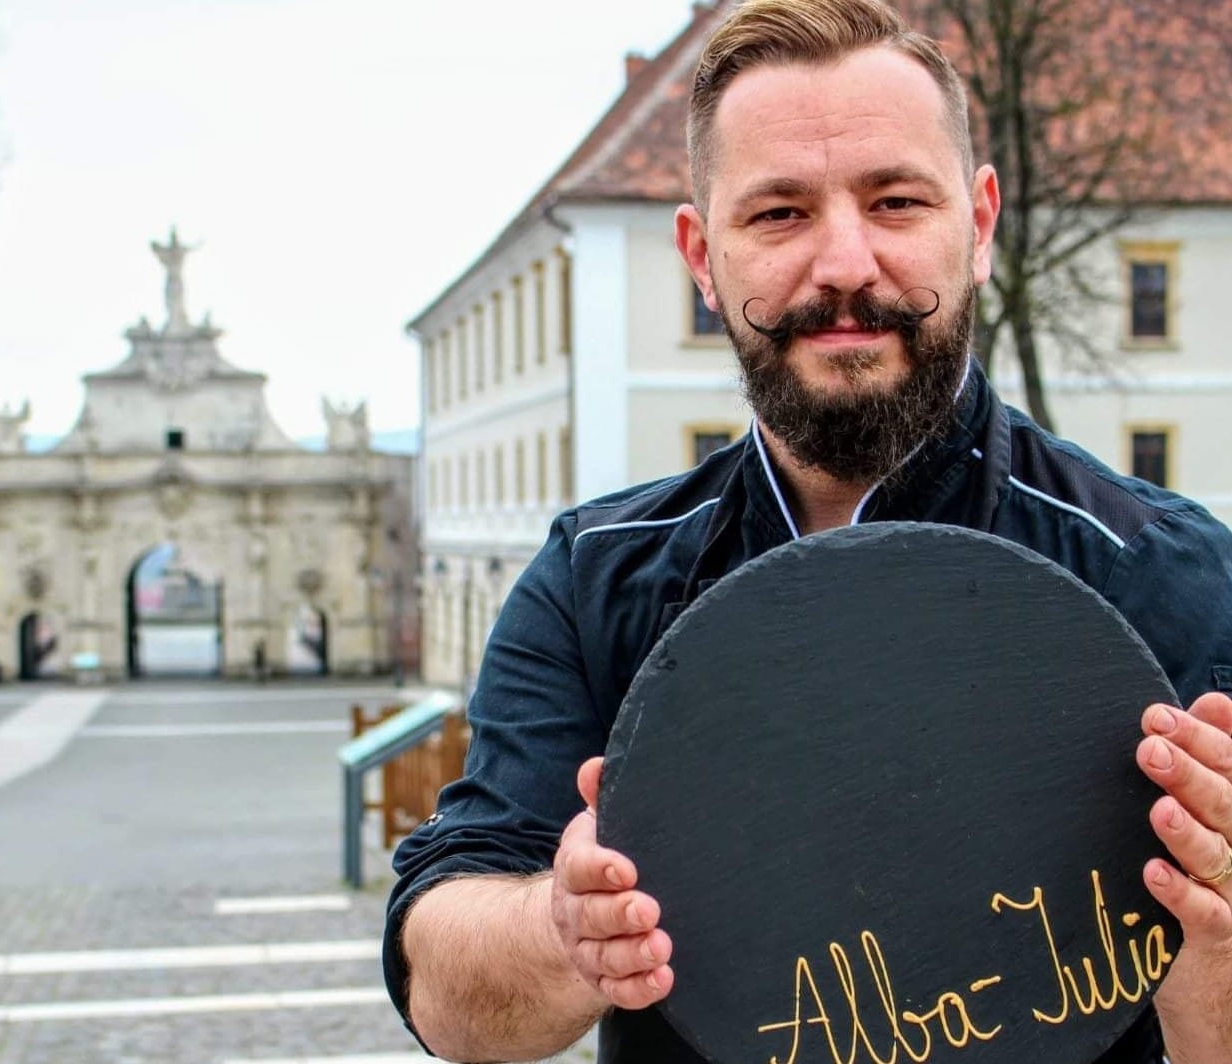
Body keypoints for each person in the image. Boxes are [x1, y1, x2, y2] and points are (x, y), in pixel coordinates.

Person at [384, 1, 1232, 1061]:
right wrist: (560, 928)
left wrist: (1217, 931)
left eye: (894, 201)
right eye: (779, 213)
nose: (843, 263)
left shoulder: (1177, 580)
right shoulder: (594, 578)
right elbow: (445, 990)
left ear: (978, 225)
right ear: (702, 255)